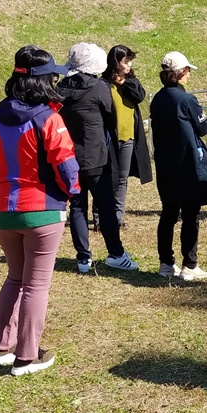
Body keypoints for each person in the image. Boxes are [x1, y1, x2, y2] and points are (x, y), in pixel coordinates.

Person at [0, 46, 80, 376]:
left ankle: (0, 349)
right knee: (36, 286)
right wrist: (73, 194)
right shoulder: (50, 118)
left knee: (15, 278)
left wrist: (6, 183)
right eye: (52, 75)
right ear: (43, 81)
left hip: (5, 210)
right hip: (42, 211)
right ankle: (27, 356)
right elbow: (67, 167)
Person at [58, 42, 137, 273]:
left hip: (70, 156)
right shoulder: (99, 88)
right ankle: (116, 253)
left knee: (78, 206)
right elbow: (110, 118)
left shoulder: (61, 88)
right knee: (106, 206)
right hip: (96, 157)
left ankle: (83, 257)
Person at [149, 51, 207, 281]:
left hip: (166, 164)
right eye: (186, 71)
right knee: (190, 214)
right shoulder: (187, 100)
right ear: (179, 73)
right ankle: (189, 264)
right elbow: (203, 128)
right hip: (187, 164)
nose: (188, 75)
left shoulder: (157, 98)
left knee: (168, 213)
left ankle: (166, 263)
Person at [105, 44, 152, 230]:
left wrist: (123, 83)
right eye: (126, 61)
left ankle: (118, 216)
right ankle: (100, 216)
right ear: (116, 62)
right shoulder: (103, 83)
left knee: (122, 178)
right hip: (109, 139)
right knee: (106, 178)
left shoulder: (131, 81)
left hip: (128, 137)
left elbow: (139, 96)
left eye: (130, 61)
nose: (129, 65)